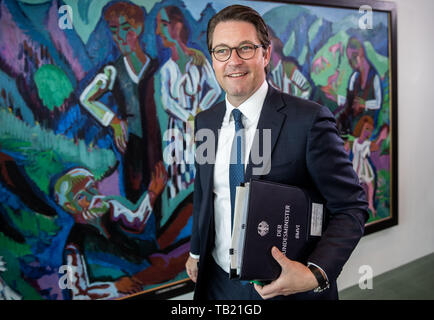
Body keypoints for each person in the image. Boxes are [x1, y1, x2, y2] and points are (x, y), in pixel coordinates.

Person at [185, 5, 369, 300]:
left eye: (245, 48)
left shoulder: (309, 120)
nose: (233, 60)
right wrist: (196, 252)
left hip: (287, 291)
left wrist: (314, 273)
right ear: (212, 59)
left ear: (266, 54)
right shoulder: (205, 121)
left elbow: (351, 208)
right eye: (222, 51)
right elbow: (207, 192)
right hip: (217, 283)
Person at [79, 2, 162, 204]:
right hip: (133, 148)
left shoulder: (157, 69)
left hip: (160, 147)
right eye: (115, 30)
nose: (120, 37)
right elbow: (86, 98)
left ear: (139, 28)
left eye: (126, 29)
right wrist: (114, 121)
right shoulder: (112, 71)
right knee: (135, 199)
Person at [155, 5, 221, 202]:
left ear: (178, 26)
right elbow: (167, 102)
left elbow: (215, 90)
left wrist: (200, 111)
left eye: (164, 25)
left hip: (201, 127)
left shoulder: (199, 60)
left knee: (203, 171)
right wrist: (189, 117)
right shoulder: (167, 69)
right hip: (177, 131)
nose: (159, 31)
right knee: (178, 174)